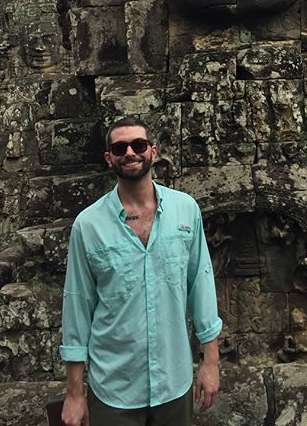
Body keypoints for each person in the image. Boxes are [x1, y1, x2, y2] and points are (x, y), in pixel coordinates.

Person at [60, 116, 222, 425]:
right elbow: (77, 307)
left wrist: (210, 362)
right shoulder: (88, 225)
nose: (130, 153)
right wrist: (74, 393)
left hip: (174, 381)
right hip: (114, 387)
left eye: (139, 145)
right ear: (110, 158)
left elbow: (200, 285)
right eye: (120, 148)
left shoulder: (185, 210)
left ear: (153, 151)